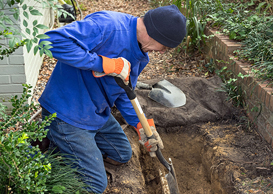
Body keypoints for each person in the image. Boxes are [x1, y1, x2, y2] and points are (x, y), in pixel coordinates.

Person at [39, 4, 186, 193]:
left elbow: (125, 92)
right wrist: (102, 63)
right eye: (165, 46)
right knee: (95, 185)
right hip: (67, 113)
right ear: (154, 34)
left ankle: (74, 149)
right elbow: (48, 41)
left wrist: (142, 127)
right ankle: (53, 149)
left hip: (95, 113)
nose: (163, 52)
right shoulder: (107, 26)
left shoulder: (142, 56)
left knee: (122, 154)